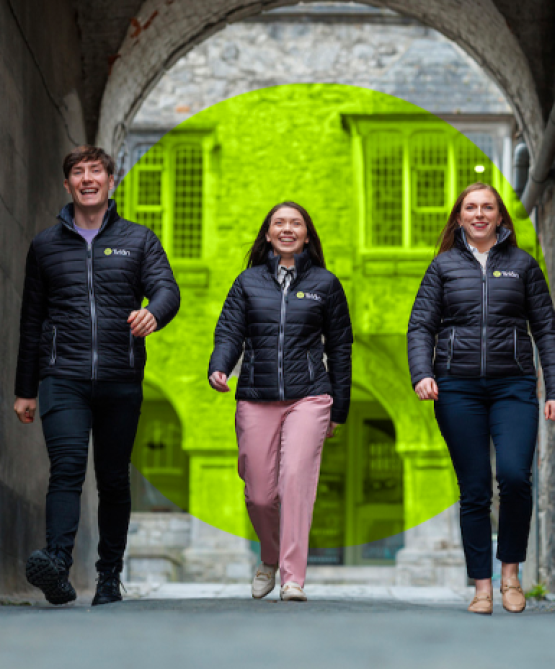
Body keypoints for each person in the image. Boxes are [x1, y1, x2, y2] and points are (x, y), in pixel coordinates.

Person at [14, 145, 181, 606]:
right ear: (67, 184)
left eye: (95, 171)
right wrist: (25, 389)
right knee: (66, 470)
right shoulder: (45, 245)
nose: (87, 179)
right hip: (61, 375)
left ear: (111, 181)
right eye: (77, 172)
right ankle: (58, 566)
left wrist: (154, 314)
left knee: (112, 478)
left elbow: (167, 288)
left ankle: (109, 575)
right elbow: (32, 319)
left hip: (119, 376)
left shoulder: (139, 240)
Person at [407, 183, 555, 614]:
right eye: (471, 208)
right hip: (456, 388)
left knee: (515, 478)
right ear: (459, 217)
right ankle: (481, 586)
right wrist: (422, 373)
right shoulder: (442, 268)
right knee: (475, 488)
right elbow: (421, 326)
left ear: (500, 217)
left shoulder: (523, 266)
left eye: (488, 207)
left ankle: (510, 575)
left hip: (513, 385)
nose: (479, 214)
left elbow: (547, 330)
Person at [208, 201, 352, 602]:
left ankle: (293, 577)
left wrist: (339, 408)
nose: (287, 228)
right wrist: (219, 366)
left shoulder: (326, 284)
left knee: (295, 482)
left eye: (296, 223)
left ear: (307, 234)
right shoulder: (247, 282)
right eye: (279, 223)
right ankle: (269, 556)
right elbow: (229, 332)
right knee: (258, 494)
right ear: (268, 234)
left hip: (310, 396)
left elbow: (341, 349)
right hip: (256, 395)